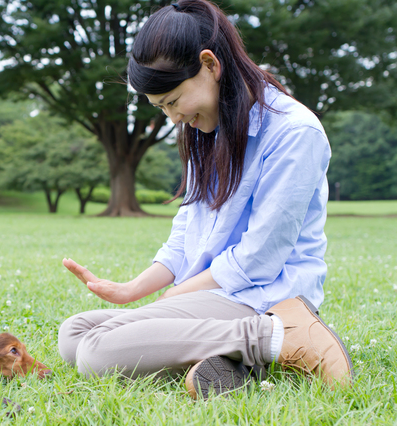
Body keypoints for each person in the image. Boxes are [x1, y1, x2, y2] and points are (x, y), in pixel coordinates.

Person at [58, 0, 353, 400]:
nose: (174, 119)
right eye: (162, 108)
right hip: (211, 296)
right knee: (74, 333)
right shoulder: (204, 133)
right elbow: (186, 237)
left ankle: (277, 336)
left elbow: (258, 260)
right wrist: (131, 292)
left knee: (96, 352)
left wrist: (175, 297)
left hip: (263, 298)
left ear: (210, 65)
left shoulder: (295, 133)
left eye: (174, 101)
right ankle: (231, 364)